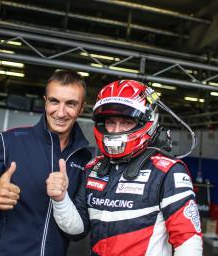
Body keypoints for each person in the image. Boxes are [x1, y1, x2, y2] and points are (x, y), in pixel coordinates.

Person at [47, 80, 203, 255]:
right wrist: (60, 200)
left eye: (126, 122)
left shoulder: (168, 172)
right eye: (111, 122)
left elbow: (187, 240)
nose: (116, 130)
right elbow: (77, 230)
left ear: (146, 122)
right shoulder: (93, 168)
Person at [0, 70, 92, 256]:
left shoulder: (83, 158)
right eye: (54, 101)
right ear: (45, 101)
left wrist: (63, 200)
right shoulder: (11, 141)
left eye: (71, 104)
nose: (60, 112)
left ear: (81, 108)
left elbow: (78, 232)